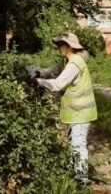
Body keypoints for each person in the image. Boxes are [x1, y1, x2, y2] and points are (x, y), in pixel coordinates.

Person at [27, 32, 98, 183]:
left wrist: (39, 82)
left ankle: (82, 180)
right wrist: (39, 71)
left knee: (78, 144)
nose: (58, 47)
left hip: (81, 112)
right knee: (74, 143)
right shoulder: (68, 61)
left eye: (61, 44)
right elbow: (53, 70)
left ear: (68, 47)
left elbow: (58, 84)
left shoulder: (74, 64)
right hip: (76, 112)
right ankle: (76, 175)